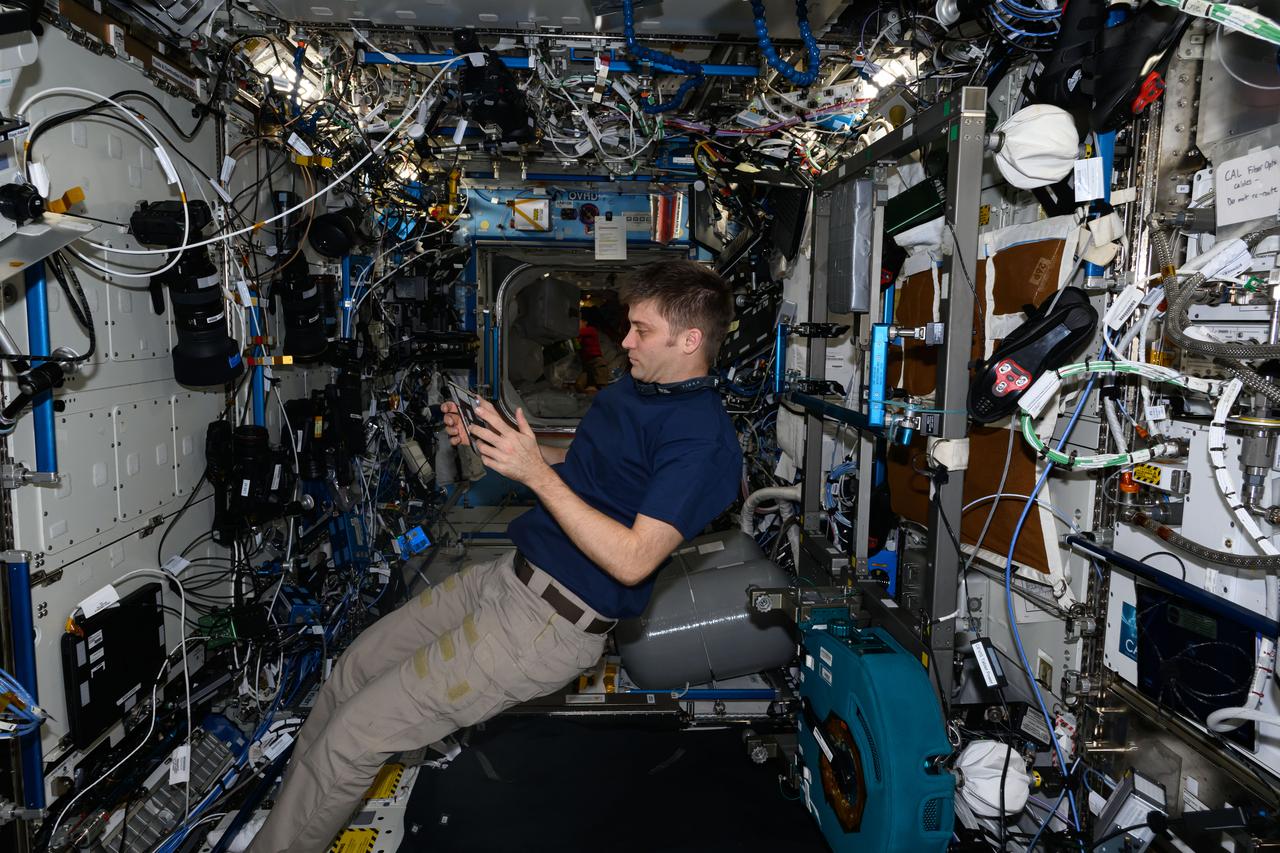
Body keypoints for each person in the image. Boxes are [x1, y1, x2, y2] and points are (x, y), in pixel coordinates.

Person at [246, 259, 742, 852]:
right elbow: (588, 463)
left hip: (548, 624)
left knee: (357, 736)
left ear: (689, 341)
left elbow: (635, 558)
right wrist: (502, 442)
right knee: (351, 671)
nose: (625, 340)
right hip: (509, 578)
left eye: (640, 330)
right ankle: (297, 817)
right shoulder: (639, 390)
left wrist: (532, 472)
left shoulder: (702, 442)